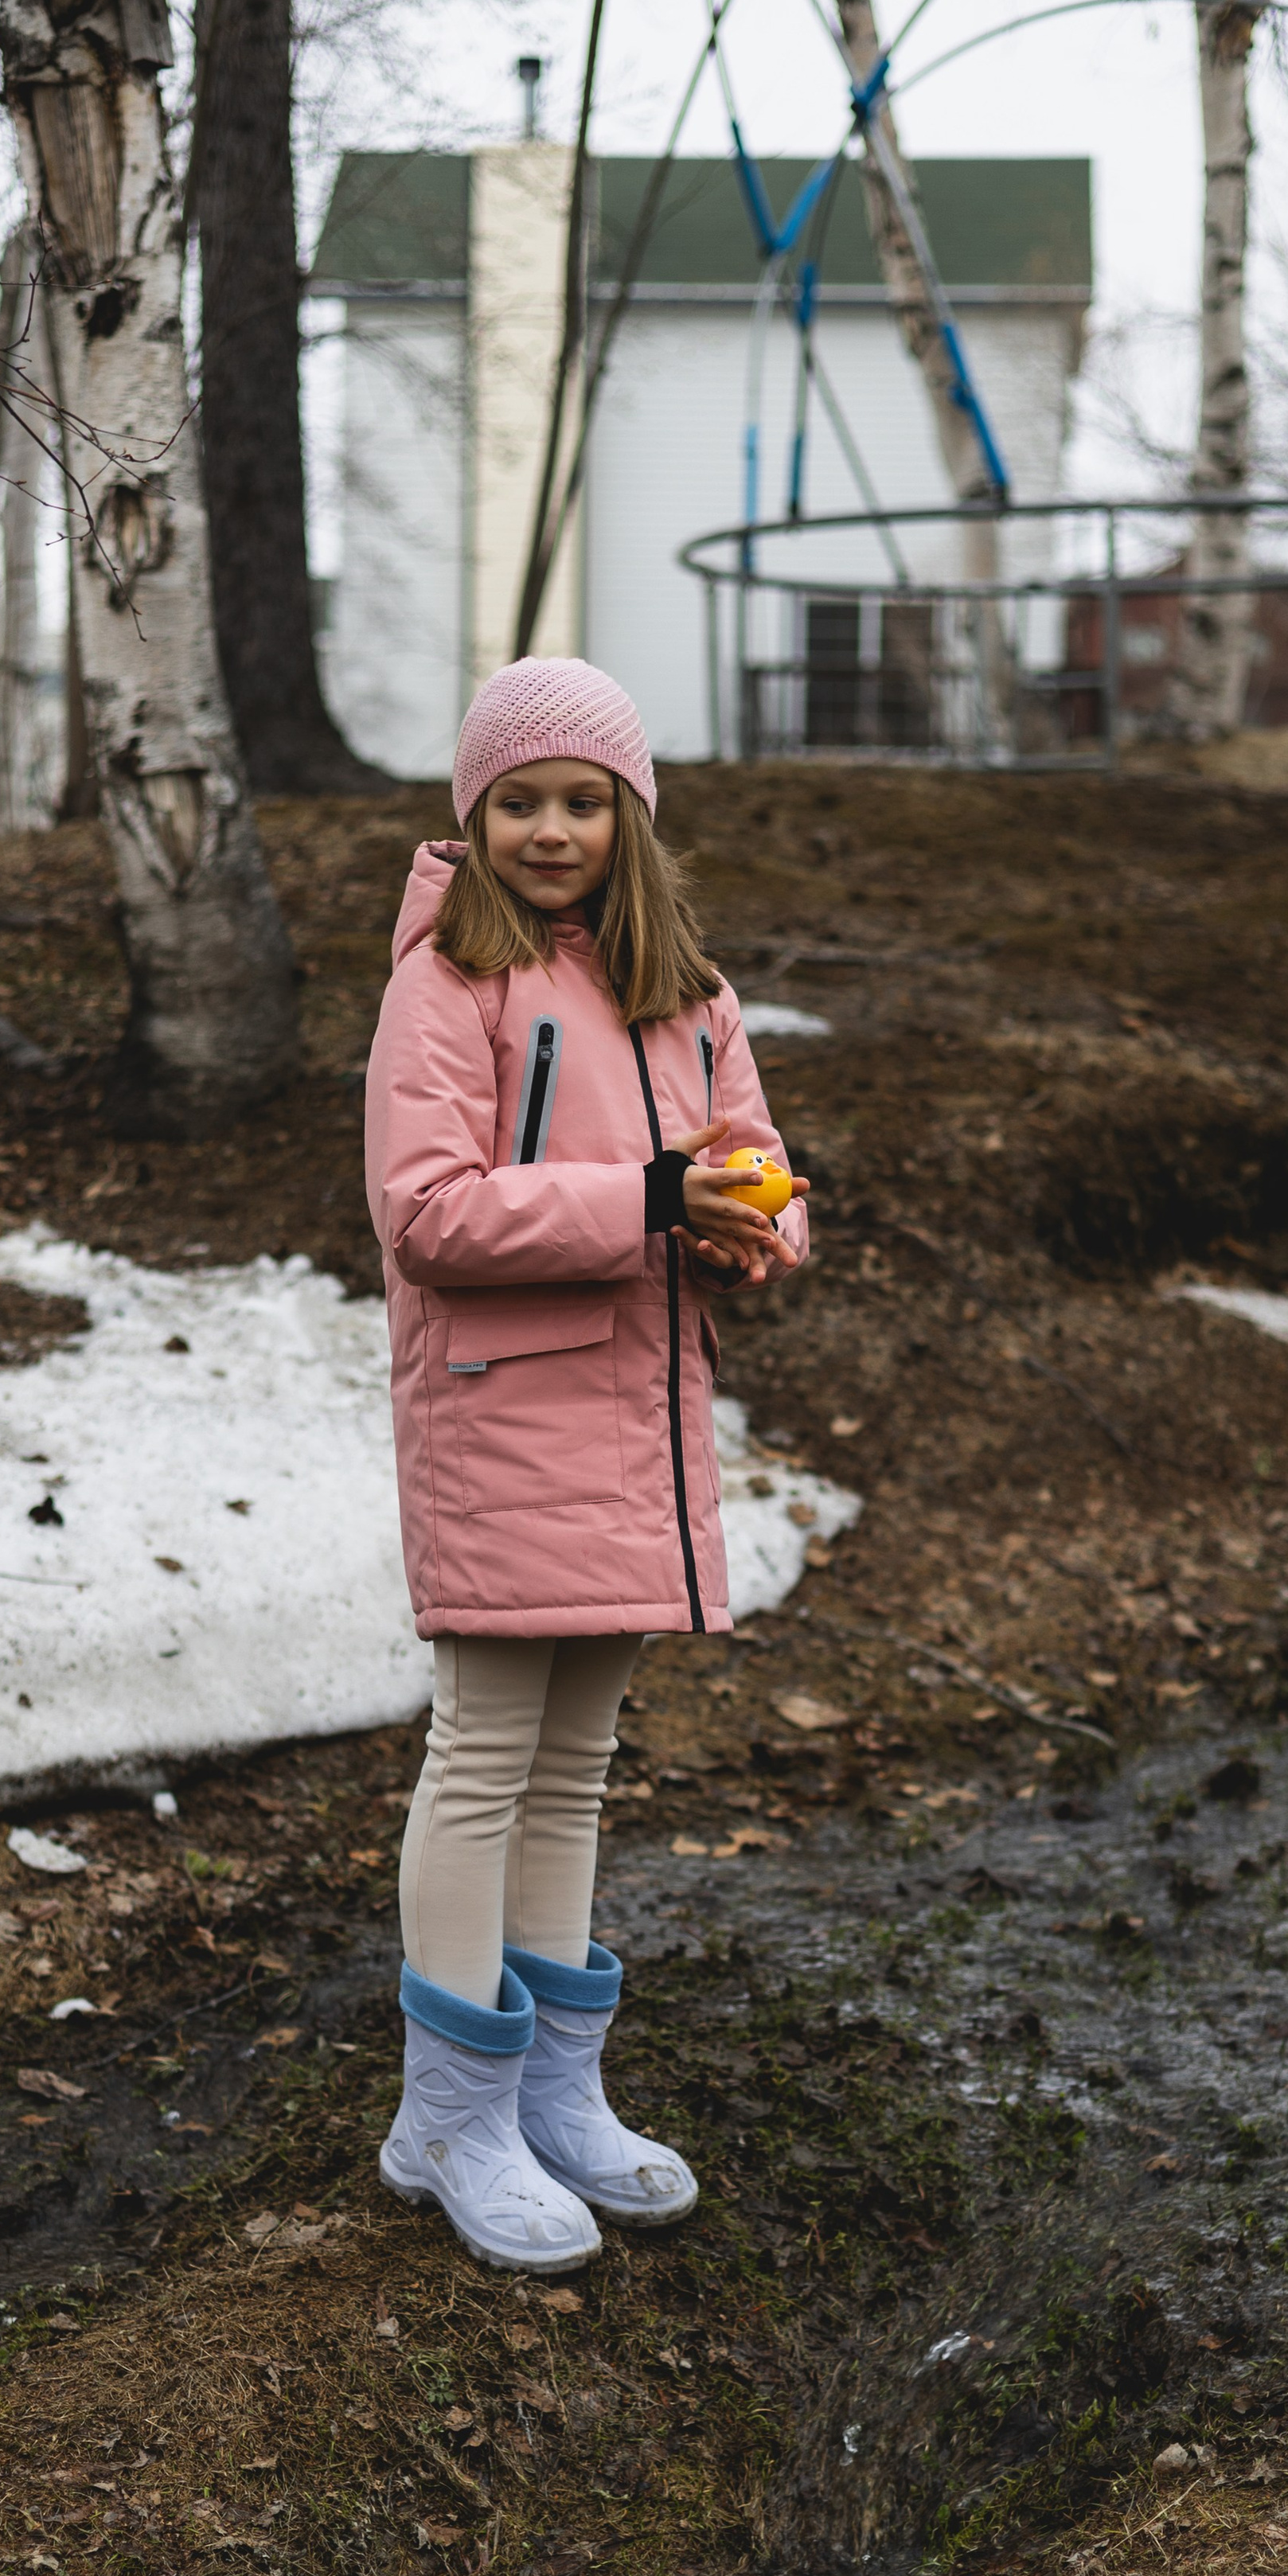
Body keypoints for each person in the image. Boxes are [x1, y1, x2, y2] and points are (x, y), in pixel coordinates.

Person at [364, 658, 812, 2274]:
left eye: (582, 801)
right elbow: (426, 1212)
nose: (550, 830)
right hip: (501, 1418)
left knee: (575, 1765)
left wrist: (755, 1226)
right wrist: (648, 1200)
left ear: (631, 818)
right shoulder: (448, 983)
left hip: (635, 1421)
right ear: (473, 817)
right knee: (485, 1754)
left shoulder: (689, 993)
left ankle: (554, 2096)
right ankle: (448, 2120)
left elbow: (747, 1161)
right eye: (518, 802)